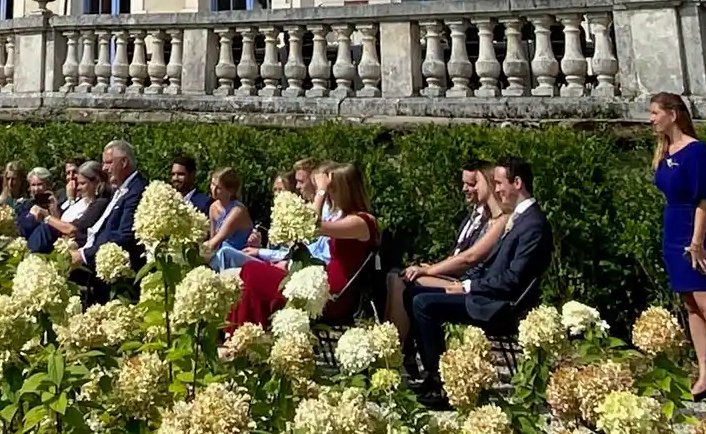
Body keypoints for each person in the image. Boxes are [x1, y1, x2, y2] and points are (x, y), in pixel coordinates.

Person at [410, 159, 552, 407]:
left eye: (499, 183)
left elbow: (513, 281)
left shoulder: (533, 225)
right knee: (413, 293)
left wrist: (467, 287)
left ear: (517, 183)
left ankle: (443, 384)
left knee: (424, 304)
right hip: (486, 293)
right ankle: (436, 377)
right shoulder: (520, 219)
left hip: (499, 305)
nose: (496, 190)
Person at [651, 92, 706, 411]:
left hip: (695, 228)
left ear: (673, 114)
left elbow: (705, 198)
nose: (652, 118)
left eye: (656, 113)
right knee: (691, 305)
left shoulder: (696, 151)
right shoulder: (663, 152)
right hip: (673, 227)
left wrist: (697, 240)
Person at [229, 162, 377, 327]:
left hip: (332, 296)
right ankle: (241, 335)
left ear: (344, 190)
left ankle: (241, 335)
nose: (329, 195)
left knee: (252, 271)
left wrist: (320, 190)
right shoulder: (350, 218)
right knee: (252, 274)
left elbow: (310, 225)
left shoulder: (361, 222)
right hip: (321, 287)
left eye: (332, 189)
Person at [388, 163, 505, 369]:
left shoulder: (499, 221)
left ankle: (401, 353)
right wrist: (432, 266)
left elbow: (470, 258)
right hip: (462, 276)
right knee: (397, 278)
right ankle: (401, 350)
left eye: (473, 182)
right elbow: (460, 255)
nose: (466, 188)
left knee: (405, 284)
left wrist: (428, 270)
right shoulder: (479, 217)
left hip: (471, 284)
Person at [69, 140, 147, 304]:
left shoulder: (136, 191)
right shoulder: (120, 190)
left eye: (108, 162)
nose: (104, 168)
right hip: (98, 270)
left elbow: (125, 236)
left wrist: (84, 254)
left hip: (118, 281)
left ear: (124, 162)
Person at [27, 160, 107, 253]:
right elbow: (61, 220)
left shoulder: (99, 203)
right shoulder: (80, 200)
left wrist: (47, 217)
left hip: (68, 245)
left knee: (45, 228)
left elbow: (72, 229)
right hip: (53, 240)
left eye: (82, 183)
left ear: (96, 182)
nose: (78, 187)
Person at [202, 168, 252, 261]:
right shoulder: (213, 207)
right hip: (220, 254)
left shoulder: (237, 211)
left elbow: (217, 239)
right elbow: (212, 239)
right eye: (212, 184)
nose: (213, 189)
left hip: (238, 257)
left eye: (219, 188)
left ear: (231, 191)